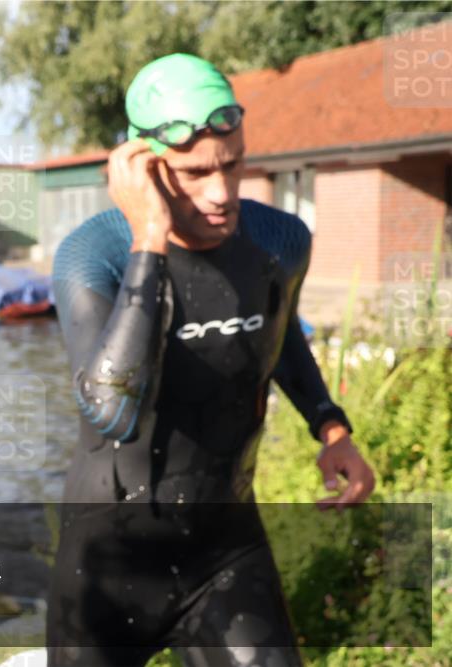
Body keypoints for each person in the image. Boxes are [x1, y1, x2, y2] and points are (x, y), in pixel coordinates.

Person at [48, 54, 375, 667]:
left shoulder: (278, 241)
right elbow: (112, 408)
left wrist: (331, 426)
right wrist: (150, 237)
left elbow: (279, 337)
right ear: (142, 168)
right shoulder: (95, 256)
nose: (221, 193)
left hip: (225, 549)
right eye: (194, 173)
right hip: (110, 558)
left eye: (233, 164)